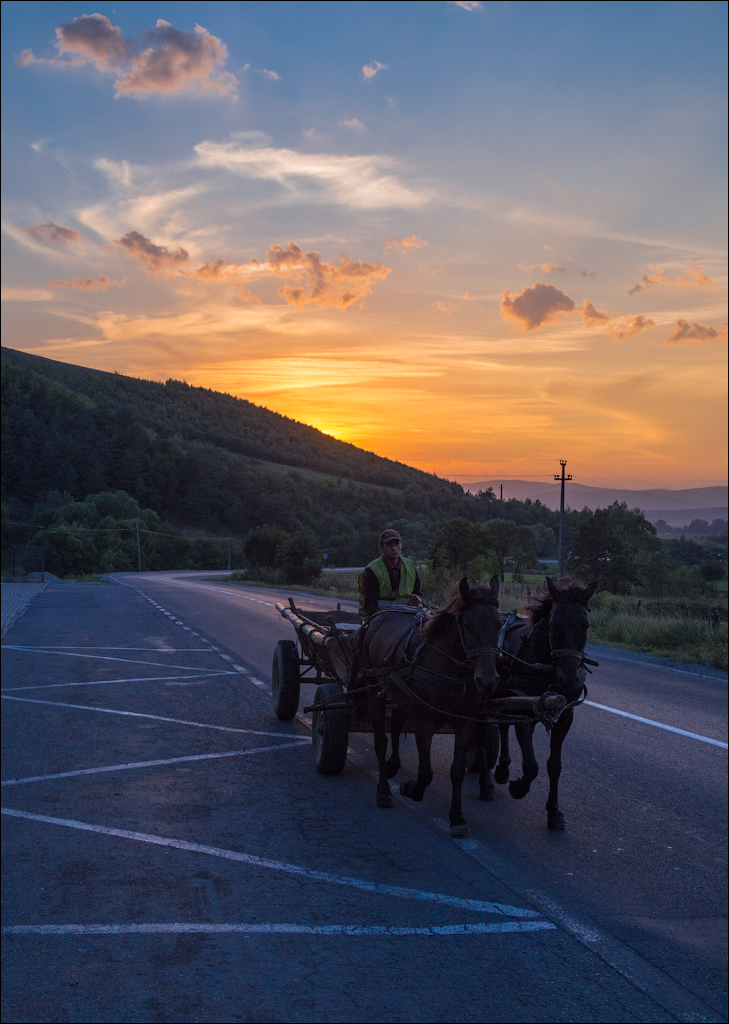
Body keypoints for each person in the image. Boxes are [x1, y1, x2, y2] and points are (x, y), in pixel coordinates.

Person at [358, 529, 422, 621]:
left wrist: (418, 600)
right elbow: (370, 605)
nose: (393, 548)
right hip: (379, 619)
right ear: (381, 547)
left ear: (401, 545)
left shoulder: (410, 566)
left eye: (396, 544)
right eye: (389, 545)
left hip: (406, 617)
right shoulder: (373, 570)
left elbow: (418, 593)